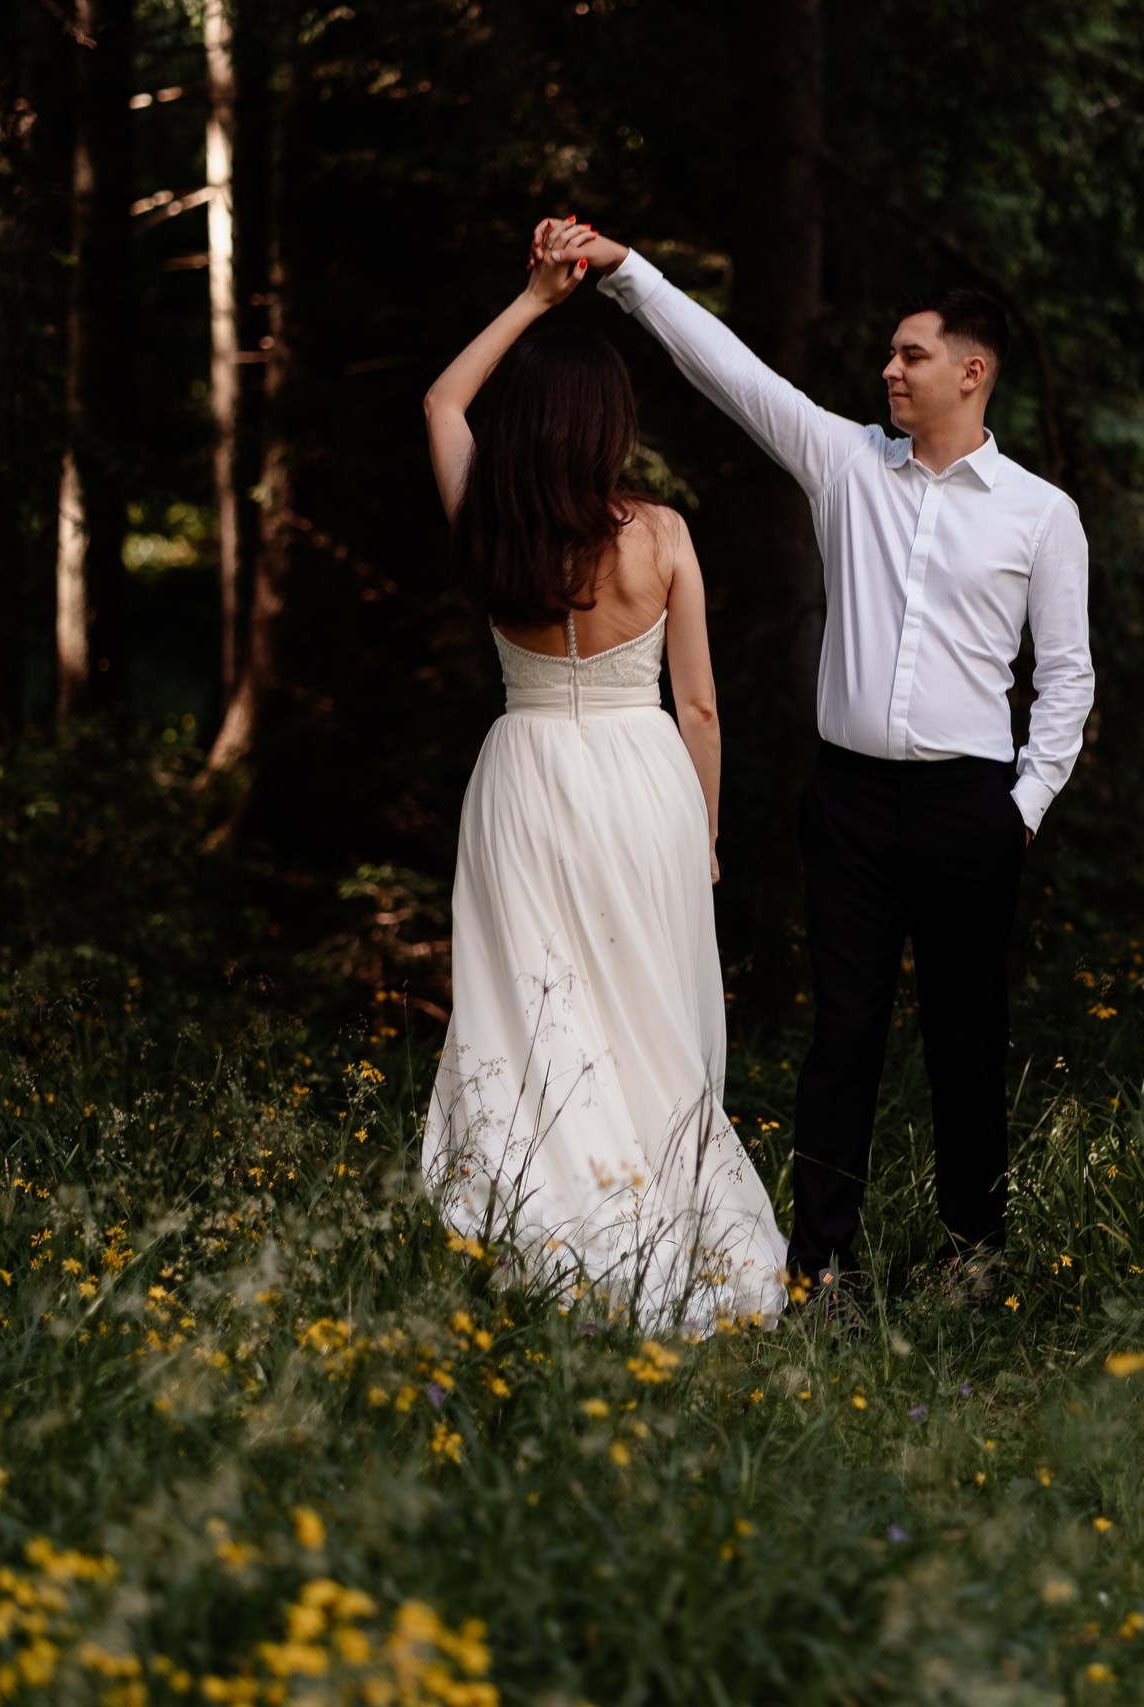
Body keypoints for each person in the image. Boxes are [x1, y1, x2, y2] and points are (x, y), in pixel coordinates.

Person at [543, 218, 1095, 1328]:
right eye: (891, 356)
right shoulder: (845, 463)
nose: (889, 371)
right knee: (840, 1034)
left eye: (912, 356)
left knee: (964, 1038)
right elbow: (731, 370)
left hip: (967, 808)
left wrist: (1019, 811)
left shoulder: (1042, 515)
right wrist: (626, 275)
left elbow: (1069, 678)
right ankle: (822, 1271)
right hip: (844, 801)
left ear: (971, 372)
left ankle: (970, 1260)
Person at [417, 225, 788, 1332]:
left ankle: (541, 1230)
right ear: (609, 427)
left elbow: (441, 403)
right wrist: (706, 832)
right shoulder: (662, 536)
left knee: (534, 1010)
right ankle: (670, 1226)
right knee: (646, 1010)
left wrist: (534, 301)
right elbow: (703, 707)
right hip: (642, 779)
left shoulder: (488, 520)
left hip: (523, 774)